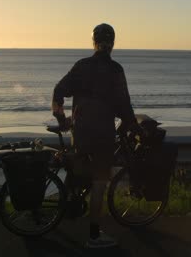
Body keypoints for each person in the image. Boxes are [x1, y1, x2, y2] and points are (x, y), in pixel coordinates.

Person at [52, 23, 138, 248]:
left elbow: (58, 92)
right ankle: (93, 236)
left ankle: (71, 202)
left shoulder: (81, 66)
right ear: (113, 44)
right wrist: (132, 125)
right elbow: (124, 105)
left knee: (80, 166)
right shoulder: (115, 70)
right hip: (102, 135)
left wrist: (62, 121)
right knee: (100, 183)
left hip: (79, 133)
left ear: (93, 42)